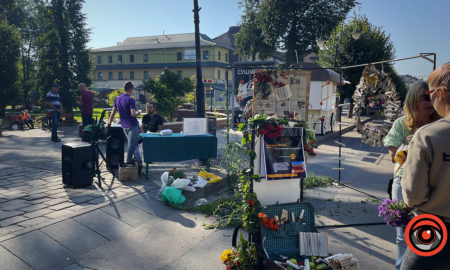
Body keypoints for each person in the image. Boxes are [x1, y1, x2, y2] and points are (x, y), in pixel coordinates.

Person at [383, 80, 440, 270]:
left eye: (432, 96)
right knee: (403, 235)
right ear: (414, 99)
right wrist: (411, 145)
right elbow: (393, 157)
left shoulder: (440, 124)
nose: (429, 101)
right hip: (404, 182)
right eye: (424, 97)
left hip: (434, 184)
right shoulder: (401, 123)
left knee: (426, 234)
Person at [400, 63, 450, 270]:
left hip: (434, 224)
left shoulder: (428, 135)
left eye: (429, 95)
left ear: (439, 92)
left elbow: (414, 194)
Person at [106, 81, 142, 174]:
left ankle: (137, 161)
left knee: (133, 144)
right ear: (130, 89)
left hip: (124, 125)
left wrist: (109, 122)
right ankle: (130, 162)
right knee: (132, 144)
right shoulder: (131, 99)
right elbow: (133, 114)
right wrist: (138, 112)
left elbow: (113, 112)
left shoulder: (117, 98)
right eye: (133, 89)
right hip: (133, 125)